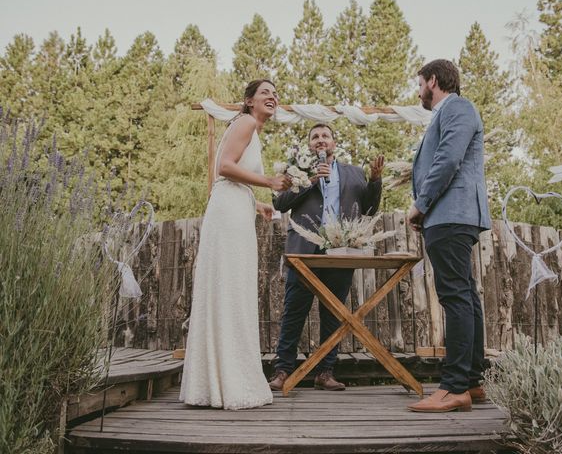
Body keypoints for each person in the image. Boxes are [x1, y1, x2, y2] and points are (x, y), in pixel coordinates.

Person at [179, 79, 292, 409]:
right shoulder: (244, 121)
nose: (272, 96)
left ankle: (218, 381)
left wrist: (256, 203)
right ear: (249, 101)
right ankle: (226, 381)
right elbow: (223, 167)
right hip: (228, 215)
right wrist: (268, 182)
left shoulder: (252, 130)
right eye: (264, 93)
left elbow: (230, 178)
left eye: (275, 92)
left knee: (230, 290)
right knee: (230, 289)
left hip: (234, 209)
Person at [269, 123, 384, 391]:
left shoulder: (354, 174)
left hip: (340, 251)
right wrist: (310, 180)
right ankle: (283, 370)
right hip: (304, 252)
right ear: (310, 145)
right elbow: (279, 203)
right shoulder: (297, 172)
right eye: (315, 137)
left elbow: (368, 208)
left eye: (325, 136)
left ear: (334, 142)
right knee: (293, 312)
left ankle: (325, 372)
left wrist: (375, 180)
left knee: (333, 314)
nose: (320, 140)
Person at [406, 59, 491, 413]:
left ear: (434, 80)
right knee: (466, 296)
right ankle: (471, 382)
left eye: (420, 83)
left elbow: (447, 159)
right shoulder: (454, 111)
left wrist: (420, 205)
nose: (419, 90)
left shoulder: (456, 107)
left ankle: (454, 387)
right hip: (453, 216)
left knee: (455, 296)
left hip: (450, 214)